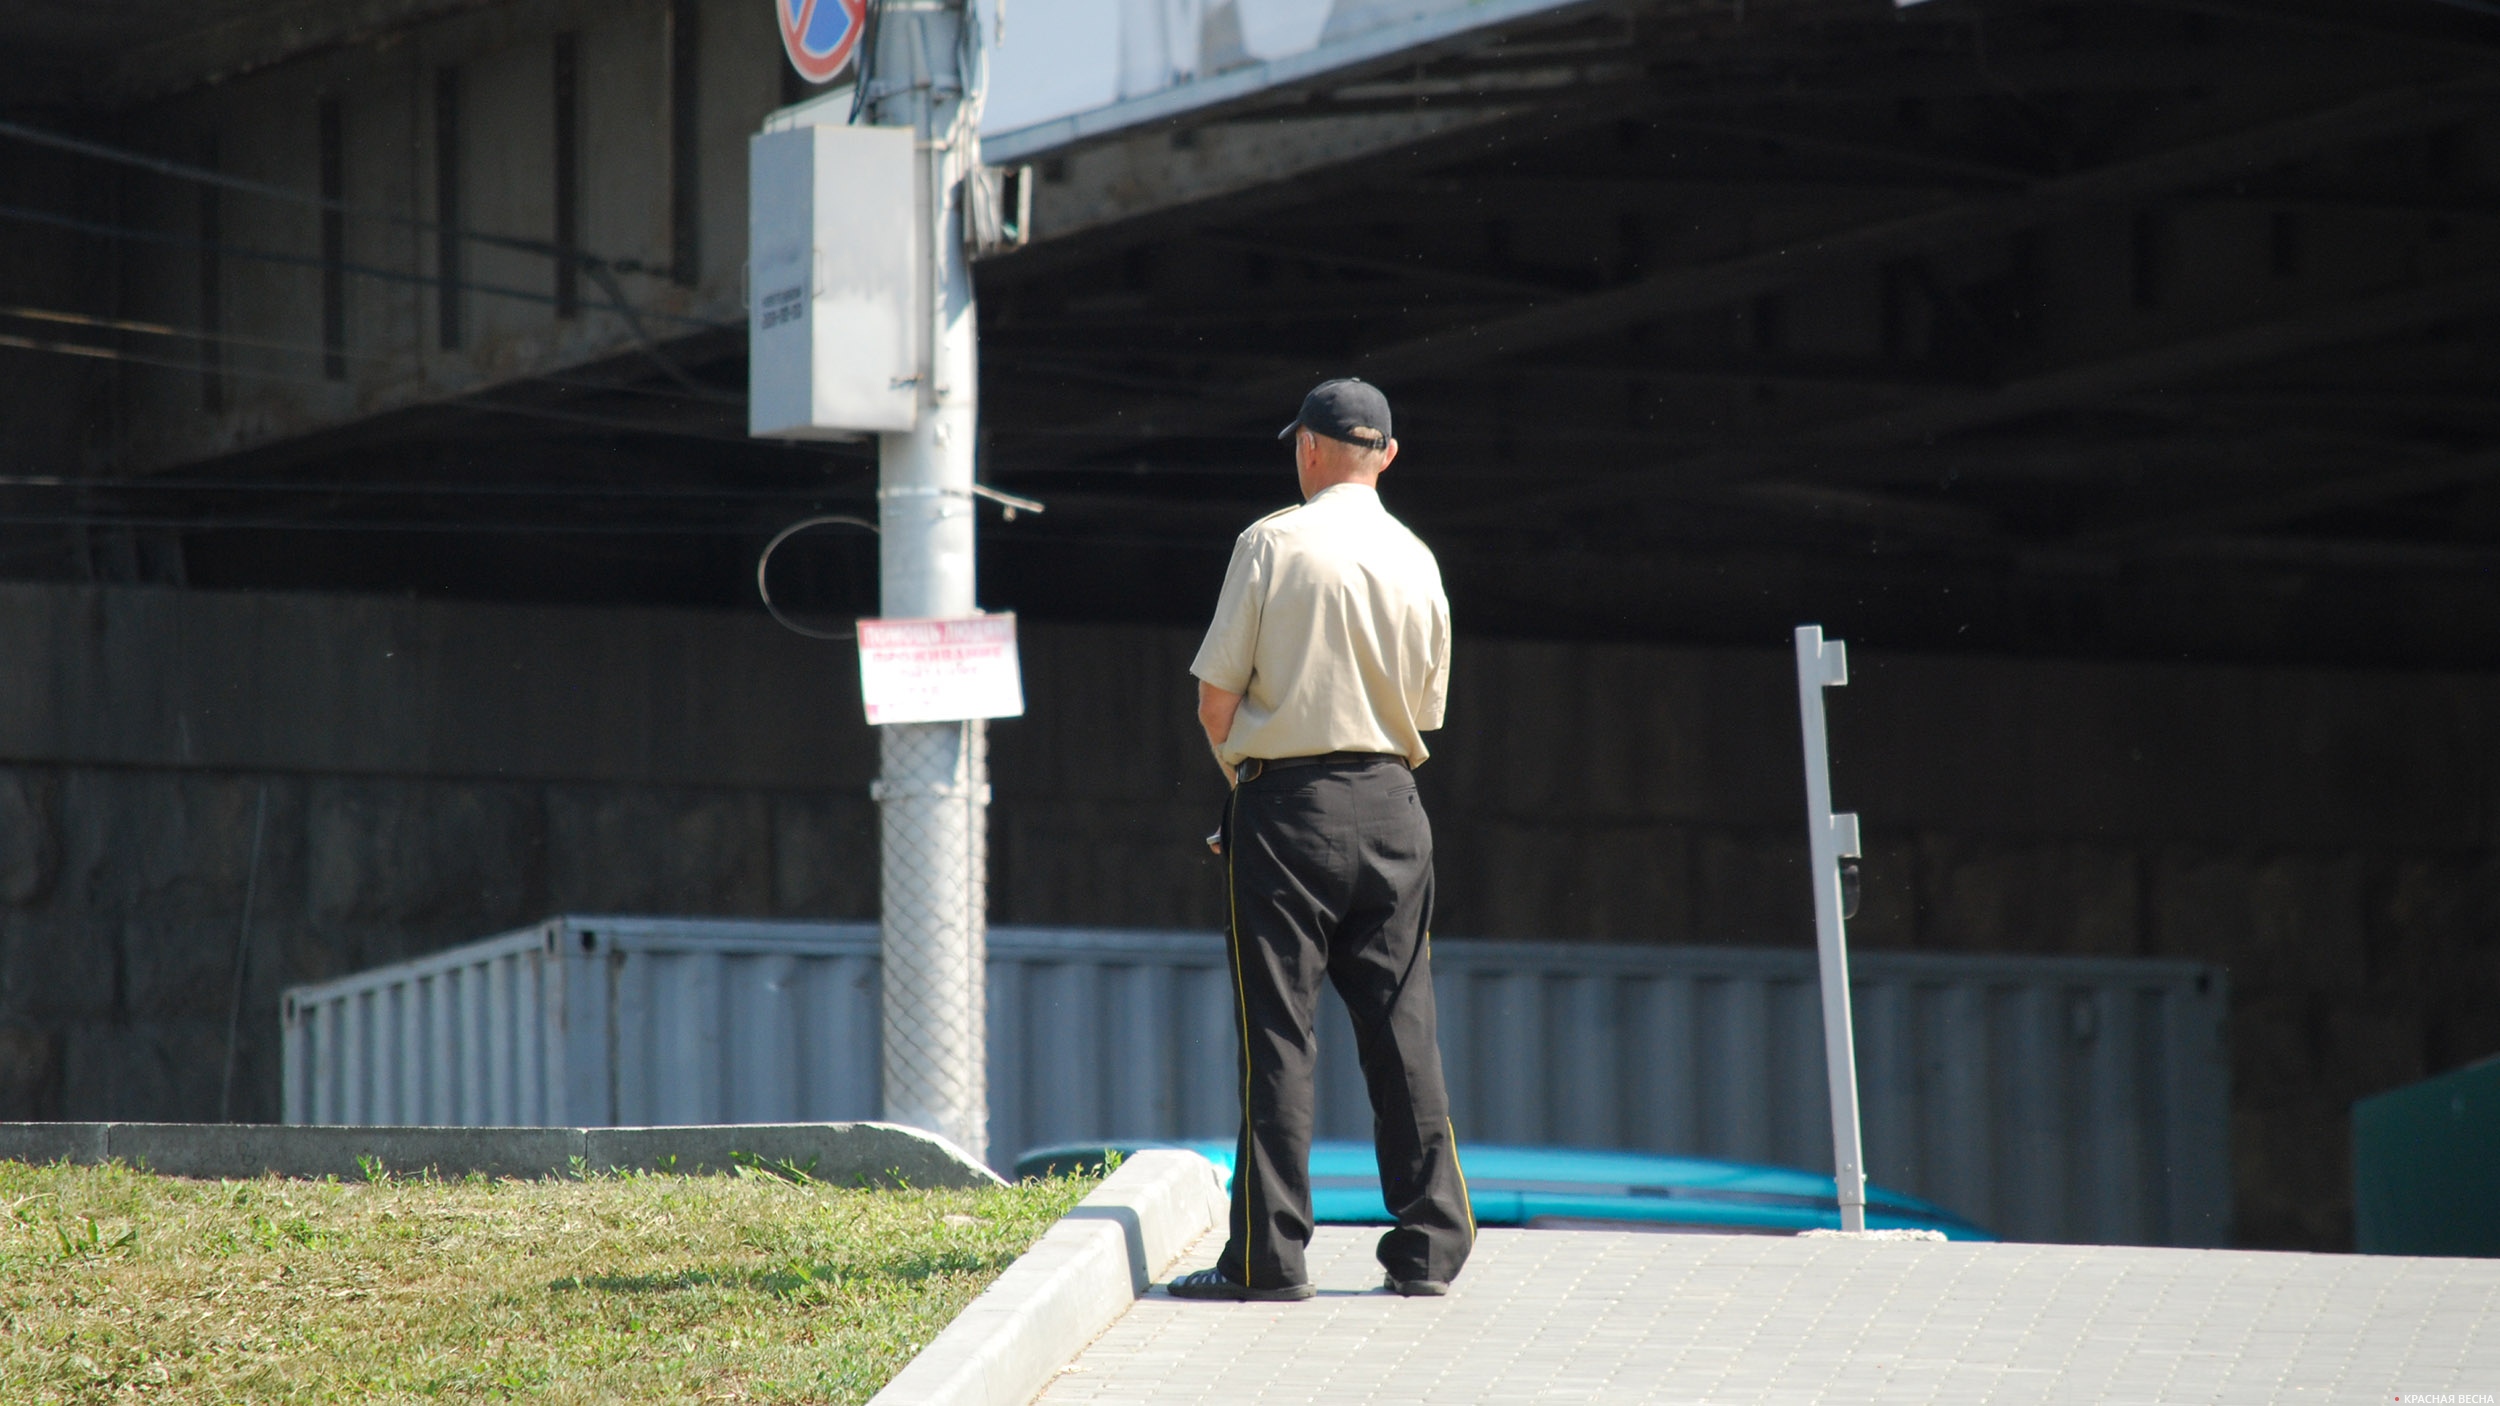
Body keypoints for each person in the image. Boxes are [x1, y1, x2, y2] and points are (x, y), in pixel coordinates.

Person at [1166, 378, 1474, 1302]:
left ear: (1307, 447)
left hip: (1286, 810)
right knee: (1402, 1026)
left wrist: (1248, 787)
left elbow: (1216, 699)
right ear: (1386, 454)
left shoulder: (1271, 542)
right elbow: (1427, 709)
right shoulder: (1419, 558)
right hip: (1392, 804)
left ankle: (1269, 1261)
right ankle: (1429, 1249)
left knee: (1278, 1035)